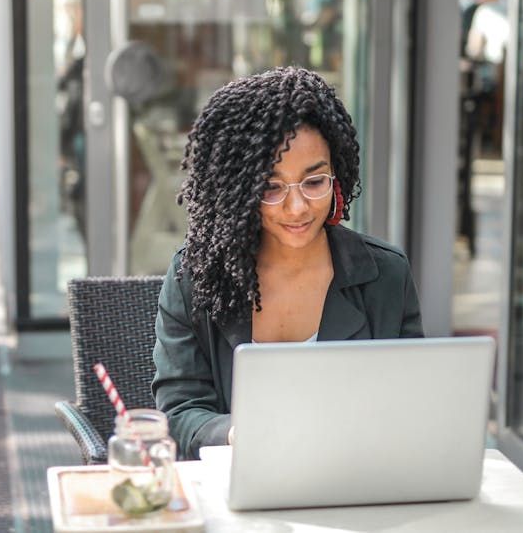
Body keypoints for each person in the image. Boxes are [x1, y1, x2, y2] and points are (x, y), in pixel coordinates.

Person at [151, 67, 423, 459]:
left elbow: (411, 405)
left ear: (337, 176)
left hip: (357, 481)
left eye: (314, 182)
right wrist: (234, 433)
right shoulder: (195, 277)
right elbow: (178, 413)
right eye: (271, 187)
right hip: (237, 487)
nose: (297, 208)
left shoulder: (385, 276)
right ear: (238, 192)